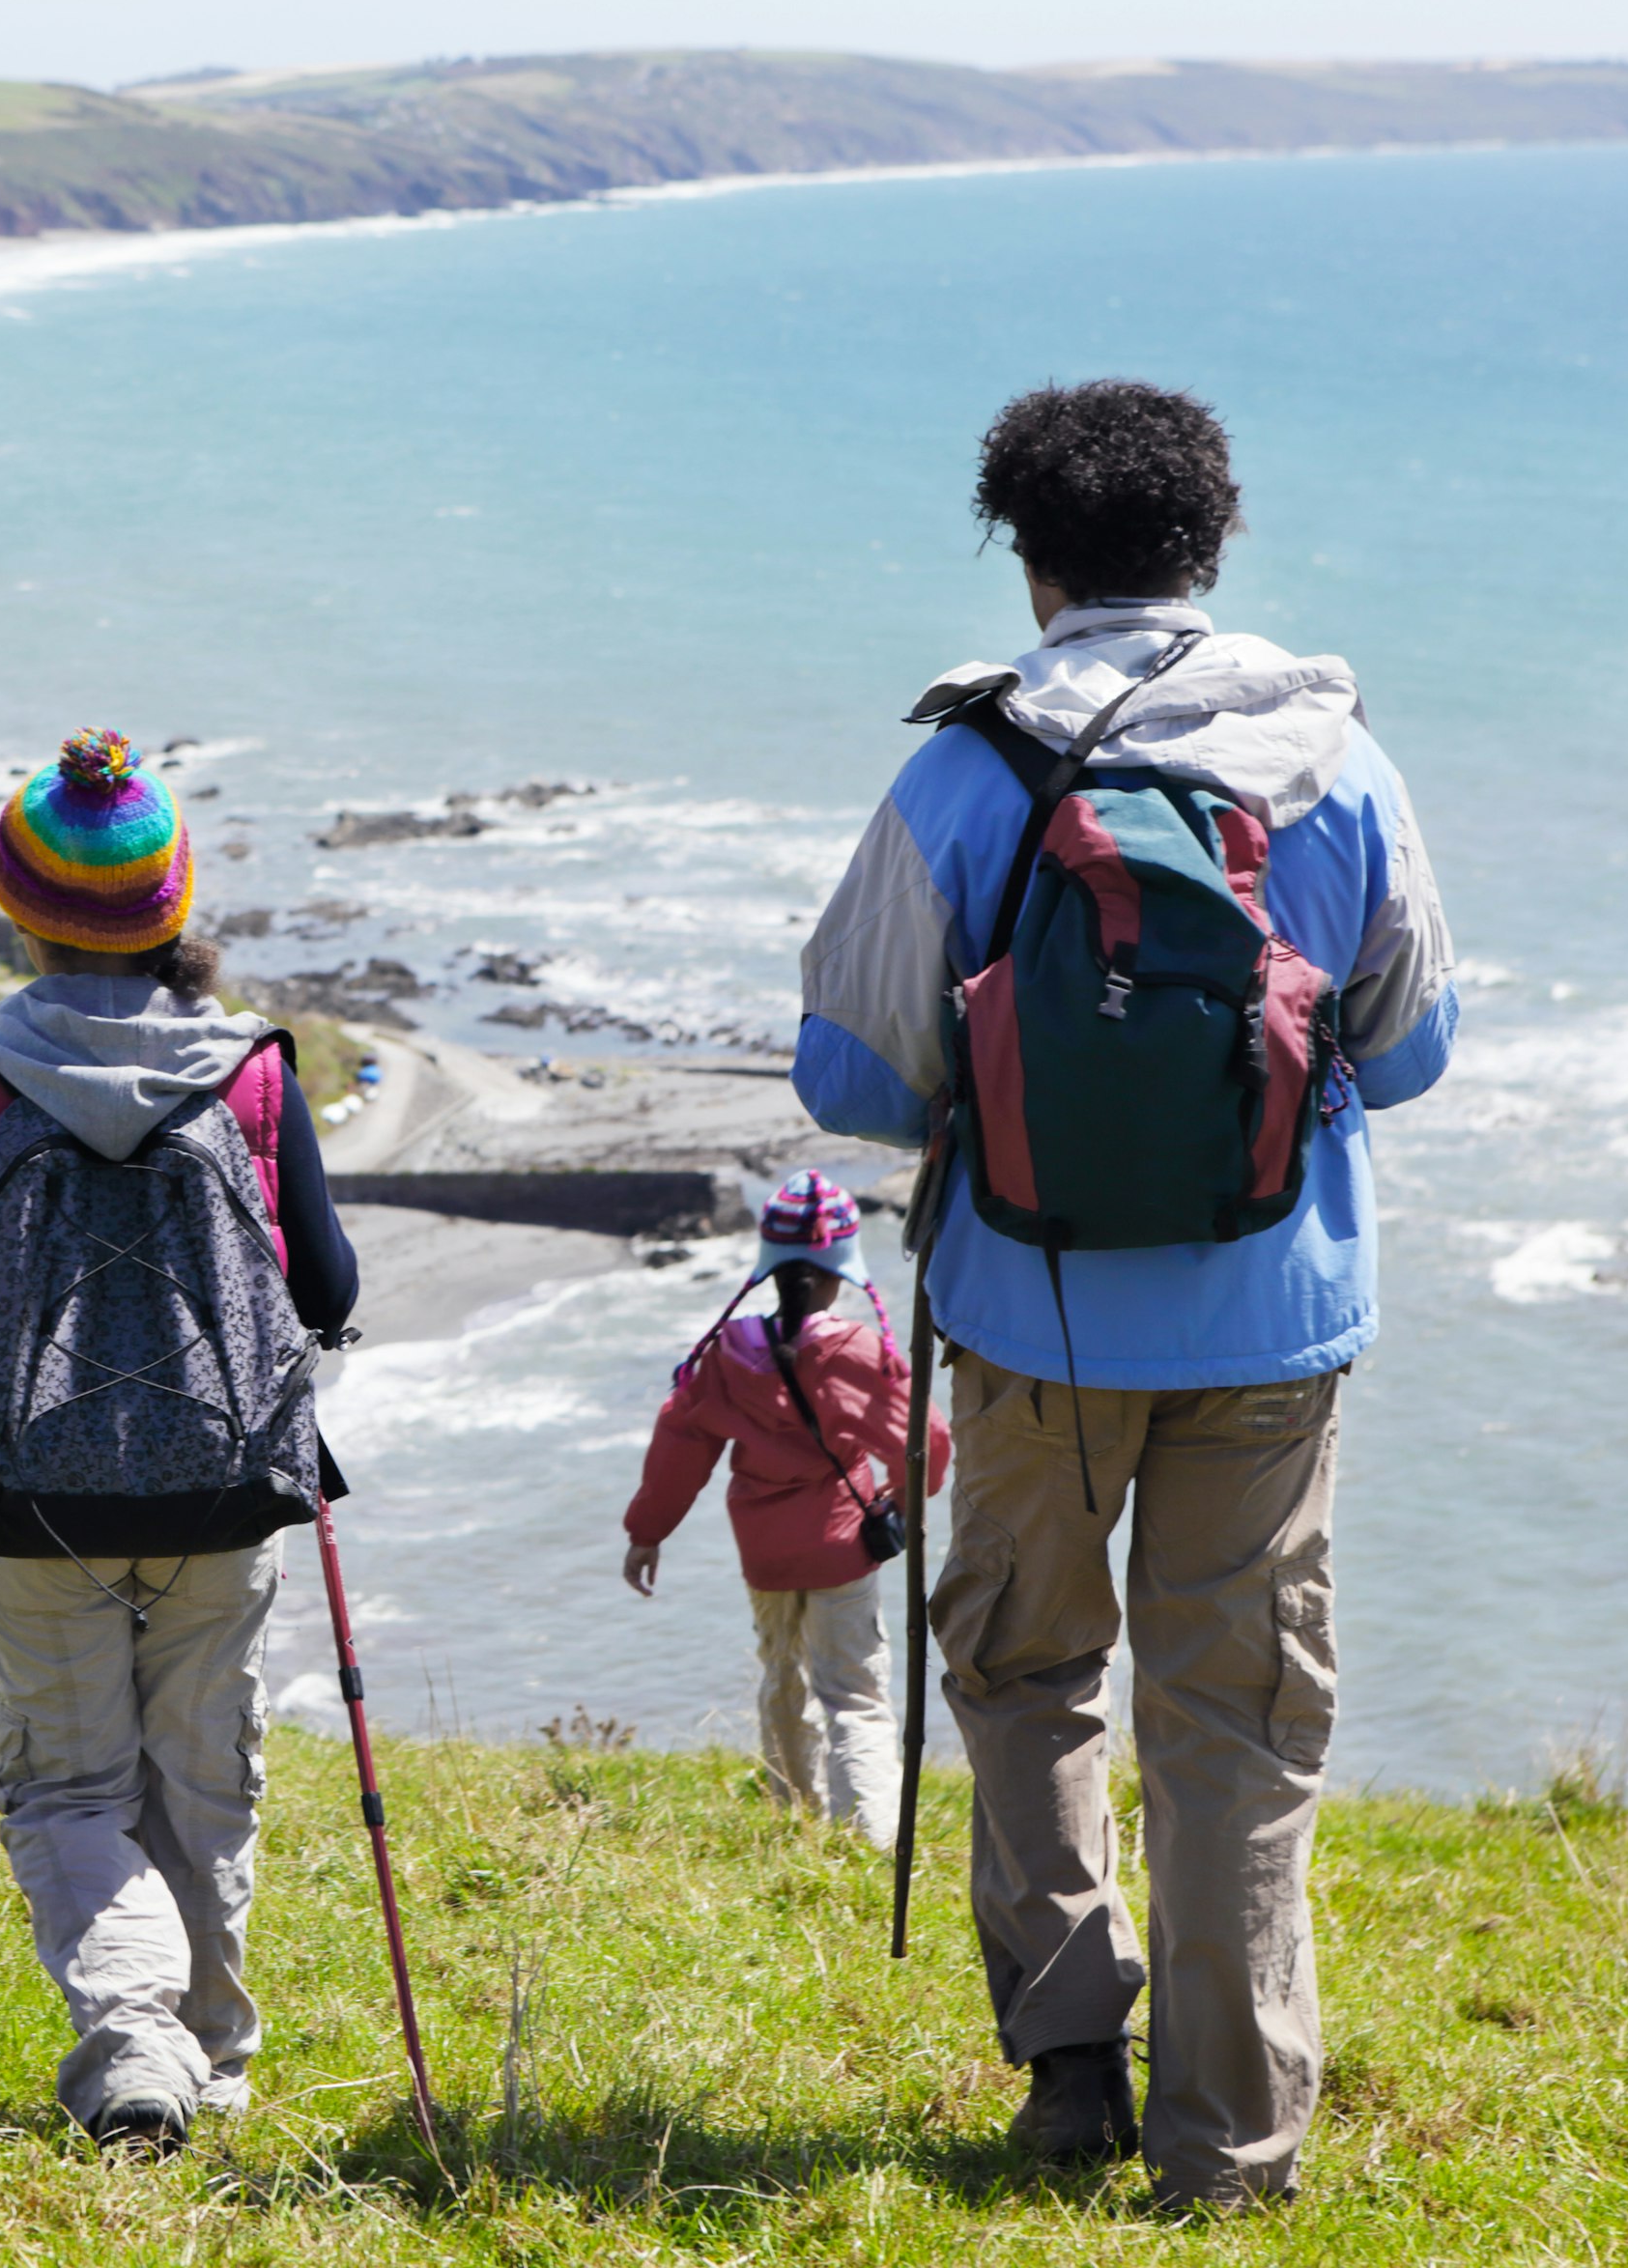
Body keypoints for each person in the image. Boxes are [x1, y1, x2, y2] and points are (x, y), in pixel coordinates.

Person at [795, 381, 1457, 2210]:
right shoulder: (1340, 760)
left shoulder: (965, 768)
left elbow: (849, 1081)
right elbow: (1406, 1059)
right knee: (1236, 1726)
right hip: (1274, 1318)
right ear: (1216, 546)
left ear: (1030, 564)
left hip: (1031, 1316)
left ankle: (1071, 2065)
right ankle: (1231, 2151)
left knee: (1024, 1671)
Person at [0, 728, 359, 2158]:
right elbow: (325, 1294)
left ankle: (135, 2038)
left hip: (34, 1503)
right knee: (206, 1775)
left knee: (68, 1782)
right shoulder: (252, 1073)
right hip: (226, 1494)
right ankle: (215, 2055)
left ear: (20, 911)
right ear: (174, 904)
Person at [617, 1171, 947, 1845]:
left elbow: (680, 1443)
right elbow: (926, 1441)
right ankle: (869, 1838)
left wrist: (647, 1532)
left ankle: (793, 1810)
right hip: (839, 1546)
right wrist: (908, 1496)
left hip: (763, 1549)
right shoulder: (855, 1350)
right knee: (851, 1692)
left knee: (781, 1675)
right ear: (841, 1270)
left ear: (769, 1265)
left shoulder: (729, 1352)